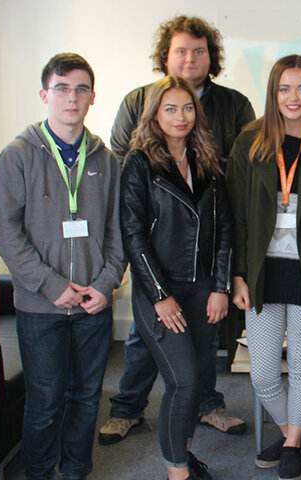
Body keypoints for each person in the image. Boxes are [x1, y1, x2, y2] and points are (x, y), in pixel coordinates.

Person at [101, 15, 255, 445]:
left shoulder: (235, 104)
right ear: (165, 57)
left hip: (207, 250)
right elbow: (122, 165)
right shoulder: (137, 100)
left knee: (203, 339)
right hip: (159, 250)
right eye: (181, 51)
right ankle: (128, 408)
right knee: (143, 335)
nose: (190, 59)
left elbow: (241, 170)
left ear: (211, 57)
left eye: (199, 51)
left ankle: (208, 405)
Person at [0, 53, 126, 480]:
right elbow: (6, 232)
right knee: (45, 402)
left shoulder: (106, 160)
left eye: (81, 89)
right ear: (45, 94)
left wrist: (105, 285)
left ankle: (75, 472)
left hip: (93, 305)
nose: (72, 97)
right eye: (63, 88)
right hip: (40, 306)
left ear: (92, 98)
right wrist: (50, 285)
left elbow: (117, 233)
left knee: (87, 398)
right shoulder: (17, 156)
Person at [226, 54, 301, 480]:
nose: (293, 98)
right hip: (262, 272)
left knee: (300, 361)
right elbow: (237, 216)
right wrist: (237, 274)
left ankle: (293, 443)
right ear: (272, 93)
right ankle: (290, 429)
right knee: (261, 371)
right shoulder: (248, 144)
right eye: (284, 89)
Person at [121, 75, 232, 480]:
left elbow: (224, 231)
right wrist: (160, 295)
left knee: (197, 377)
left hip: (202, 290)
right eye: (170, 108)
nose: (180, 116)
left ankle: (184, 454)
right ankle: (176, 473)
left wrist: (220, 286)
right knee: (183, 382)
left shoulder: (208, 161)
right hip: (159, 294)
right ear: (155, 113)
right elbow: (132, 236)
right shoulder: (139, 162)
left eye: (187, 108)